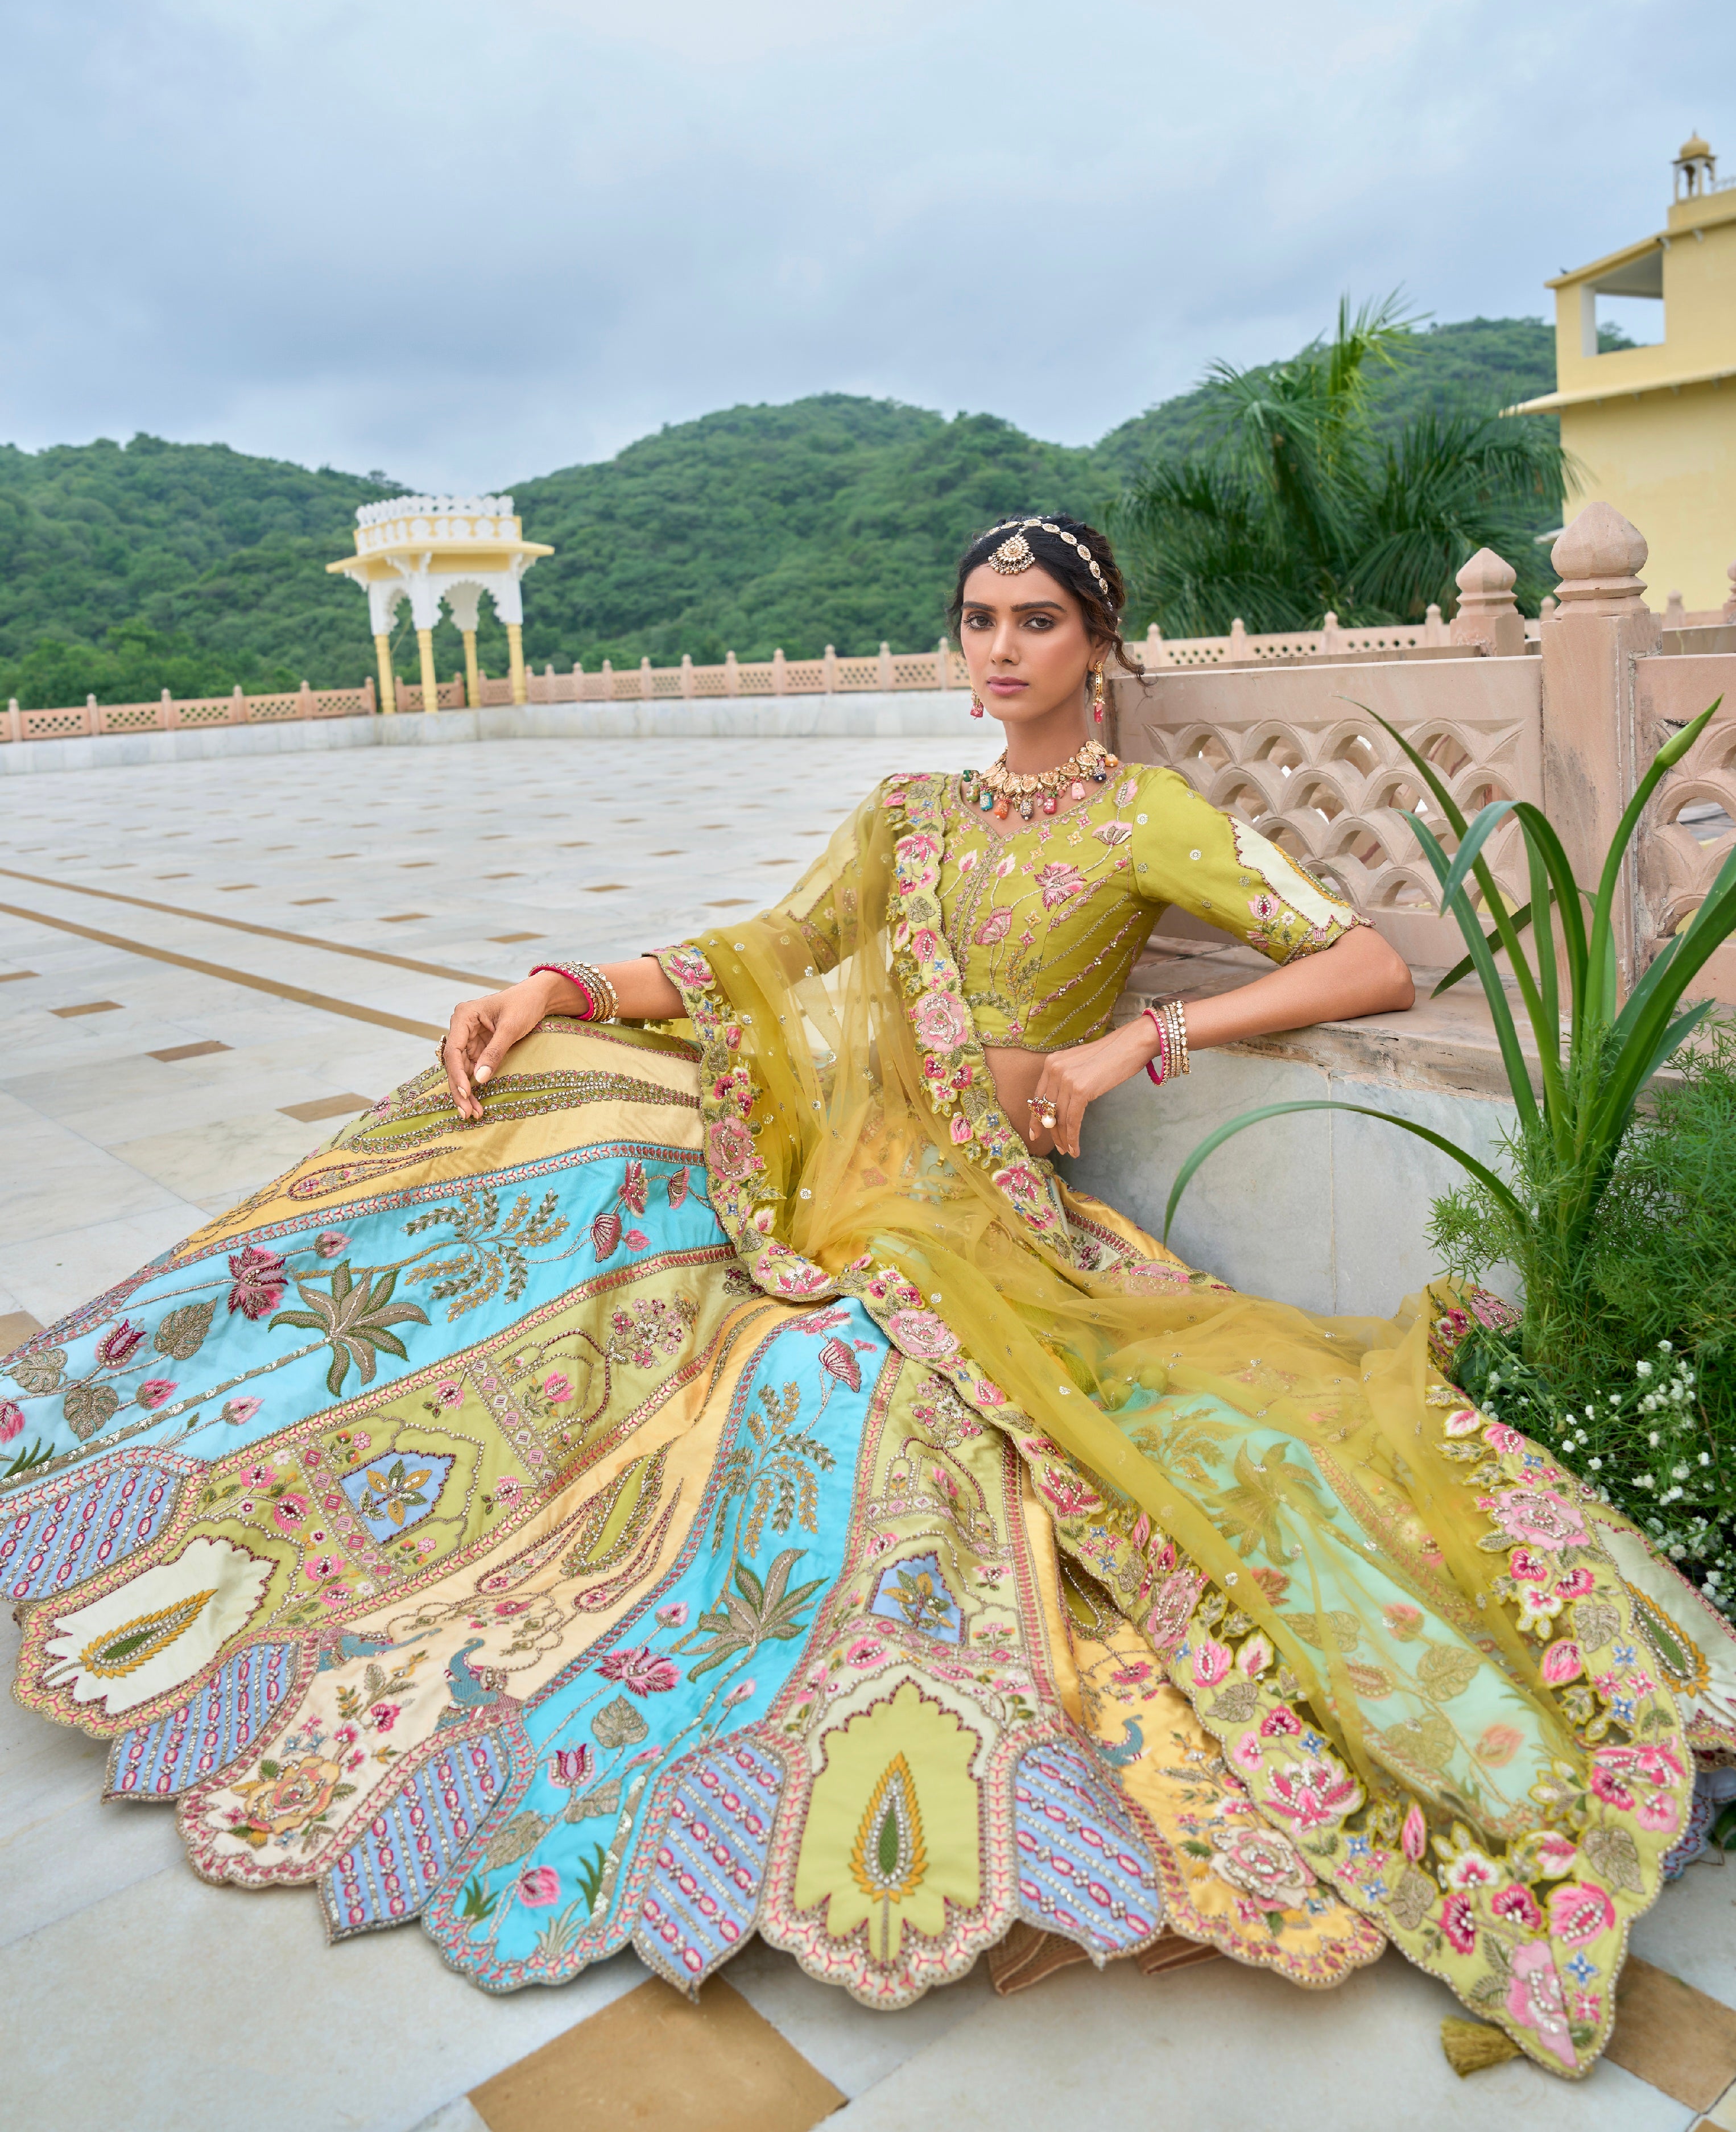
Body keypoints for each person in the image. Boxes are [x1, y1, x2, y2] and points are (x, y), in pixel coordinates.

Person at [3, 514, 1729, 2077]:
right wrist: (550, 981)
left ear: (1096, 642)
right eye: (976, 618)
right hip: (841, 1158)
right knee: (558, 1127)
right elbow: (754, 958)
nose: (999, 649)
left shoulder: (1148, 817)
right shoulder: (909, 818)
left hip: (972, 1209)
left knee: (877, 1390)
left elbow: (1368, 954)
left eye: (1036, 620)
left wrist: (1135, 1037)